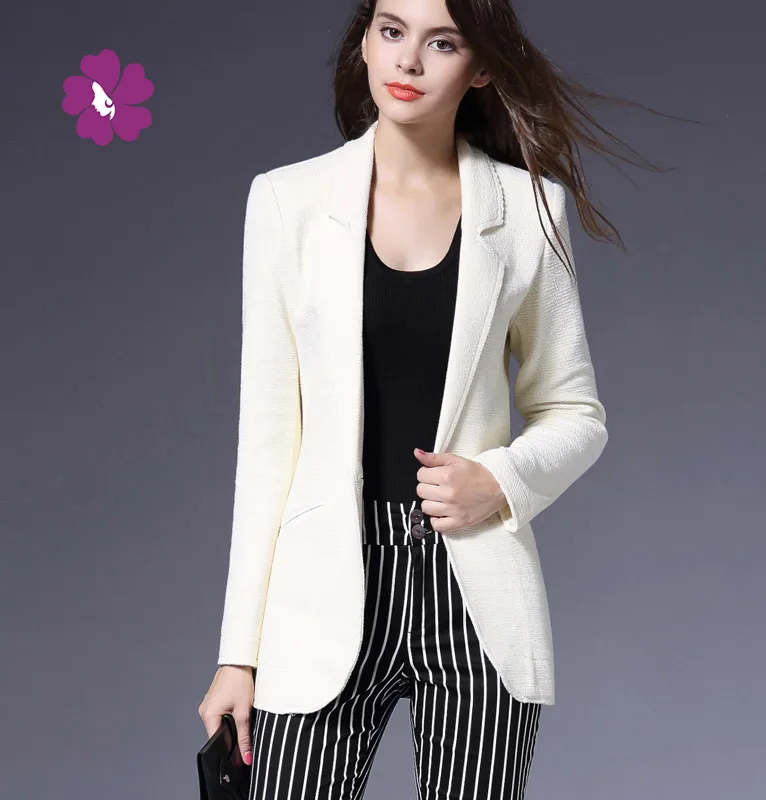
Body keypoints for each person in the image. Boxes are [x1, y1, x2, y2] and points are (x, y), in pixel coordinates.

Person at [200, 0, 664, 796]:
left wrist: (501, 481)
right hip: (324, 592)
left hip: (474, 594)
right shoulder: (286, 203)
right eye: (391, 31)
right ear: (366, 41)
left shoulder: (529, 209)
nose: (407, 61)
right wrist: (237, 654)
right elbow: (267, 445)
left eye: (441, 42)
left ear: (479, 67)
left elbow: (575, 413)